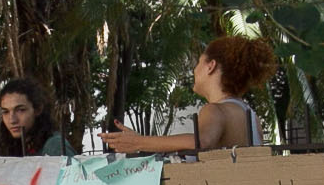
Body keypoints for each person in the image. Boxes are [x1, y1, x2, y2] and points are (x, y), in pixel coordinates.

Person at [101, 37, 275, 156]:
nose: (194, 70)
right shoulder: (248, 113)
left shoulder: (215, 110)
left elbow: (201, 141)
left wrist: (139, 142)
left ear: (210, 66)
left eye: (199, 62)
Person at [0, 77, 73, 157]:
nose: (12, 120)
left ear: (38, 109)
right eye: (6, 112)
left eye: (20, 110)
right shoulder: (16, 146)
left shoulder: (54, 146)